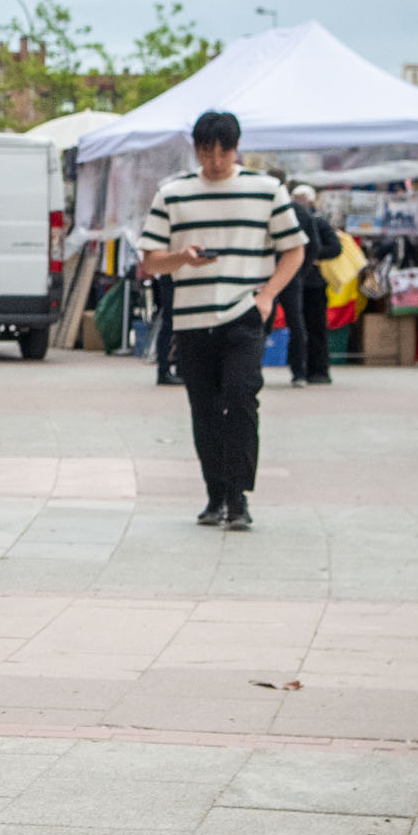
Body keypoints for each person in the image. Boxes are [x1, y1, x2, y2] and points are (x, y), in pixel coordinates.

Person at [137, 111, 307, 531]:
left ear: (237, 149)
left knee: (242, 398)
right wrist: (183, 257)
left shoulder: (266, 190)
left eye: (223, 152)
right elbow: (150, 261)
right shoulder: (173, 193)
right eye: (206, 152)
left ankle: (238, 496)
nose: (215, 161)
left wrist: (267, 296)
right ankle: (215, 494)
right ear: (196, 150)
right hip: (191, 318)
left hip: (244, 312)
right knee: (205, 408)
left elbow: (294, 249)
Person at [282, 183, 341, 385]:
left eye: (302, 198)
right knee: (300, 327)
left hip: (313, 284)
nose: (298, 202)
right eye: (296, 198)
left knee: (315, 327)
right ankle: (301, 369)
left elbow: (334, 248)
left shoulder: (317, 221)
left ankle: (319, 370)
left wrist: (309, 256)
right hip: (295, 280)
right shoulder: (290, 216)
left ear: (310, 201)